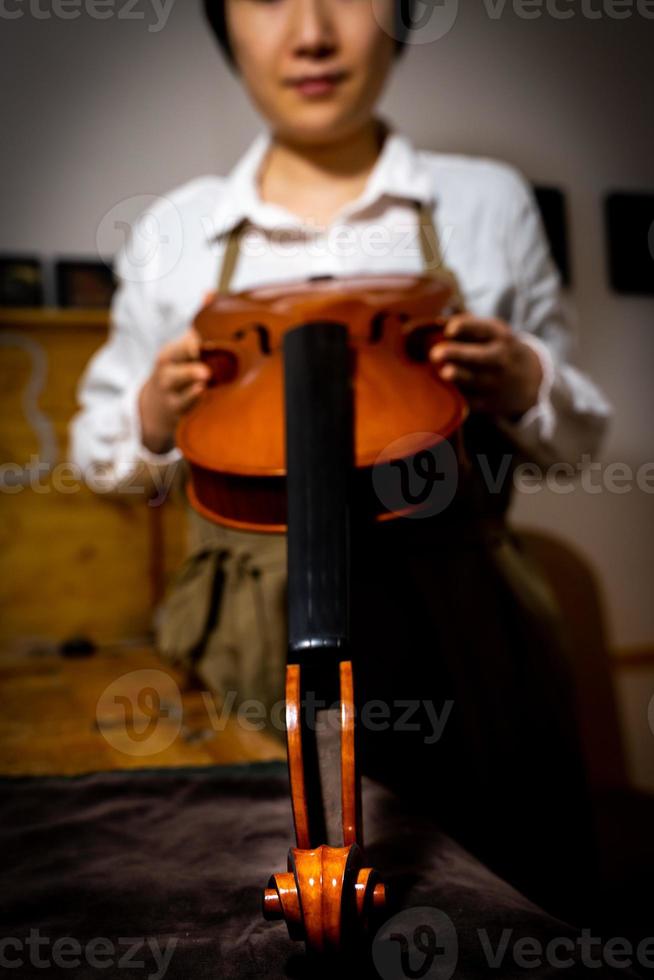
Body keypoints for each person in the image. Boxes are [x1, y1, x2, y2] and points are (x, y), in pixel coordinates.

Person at [69, 0, 612, 924]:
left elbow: (578, 443)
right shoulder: (176, 227)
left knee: (508, 901)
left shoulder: (485, 202)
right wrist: (153, 414)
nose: (312, 33)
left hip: (468, 630)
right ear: (224, 24)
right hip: (245, 633)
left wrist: (526, 376)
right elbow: (101, 458)